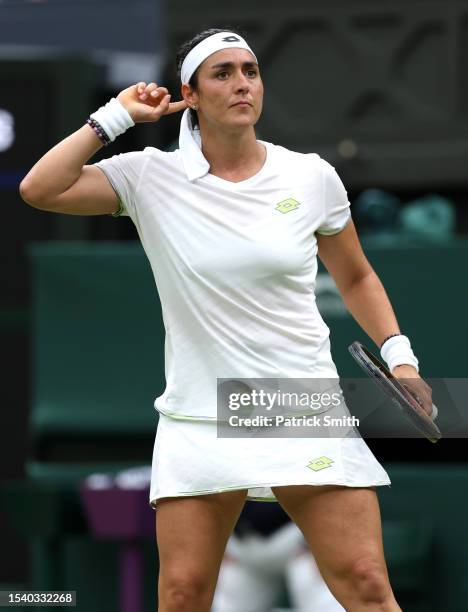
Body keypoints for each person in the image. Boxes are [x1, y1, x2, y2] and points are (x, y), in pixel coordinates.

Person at [20, 27, 435, 612]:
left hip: (299, 406)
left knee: (366, 581)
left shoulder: (310, 176)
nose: (242, 84)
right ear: (190, 94)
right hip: (201, 414)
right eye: (223, 74)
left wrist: (401, 358)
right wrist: (115, 116)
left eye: (251, 71)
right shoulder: (147, 177)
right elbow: (39, 188)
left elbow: (357, 276)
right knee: (184, 594)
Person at [212, 501, 345, 611]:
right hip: (241, 547)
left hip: (296, 540)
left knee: (323, 602)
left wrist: (320, 541)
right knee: (226, 607)